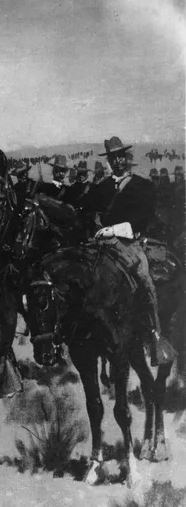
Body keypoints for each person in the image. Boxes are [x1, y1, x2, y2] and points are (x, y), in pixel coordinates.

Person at [94, 136, 175, 366]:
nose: (118, 160)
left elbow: (143, 218)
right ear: (109, 161)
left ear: (127, 158)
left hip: (131, 244)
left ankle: (155, 335)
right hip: (101, 244)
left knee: (145, 281)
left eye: (121, 156)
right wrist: (96, 224)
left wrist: (113, 229)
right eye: (113, 157)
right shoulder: (101, 187)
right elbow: (90, 210)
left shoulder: (143, 186)